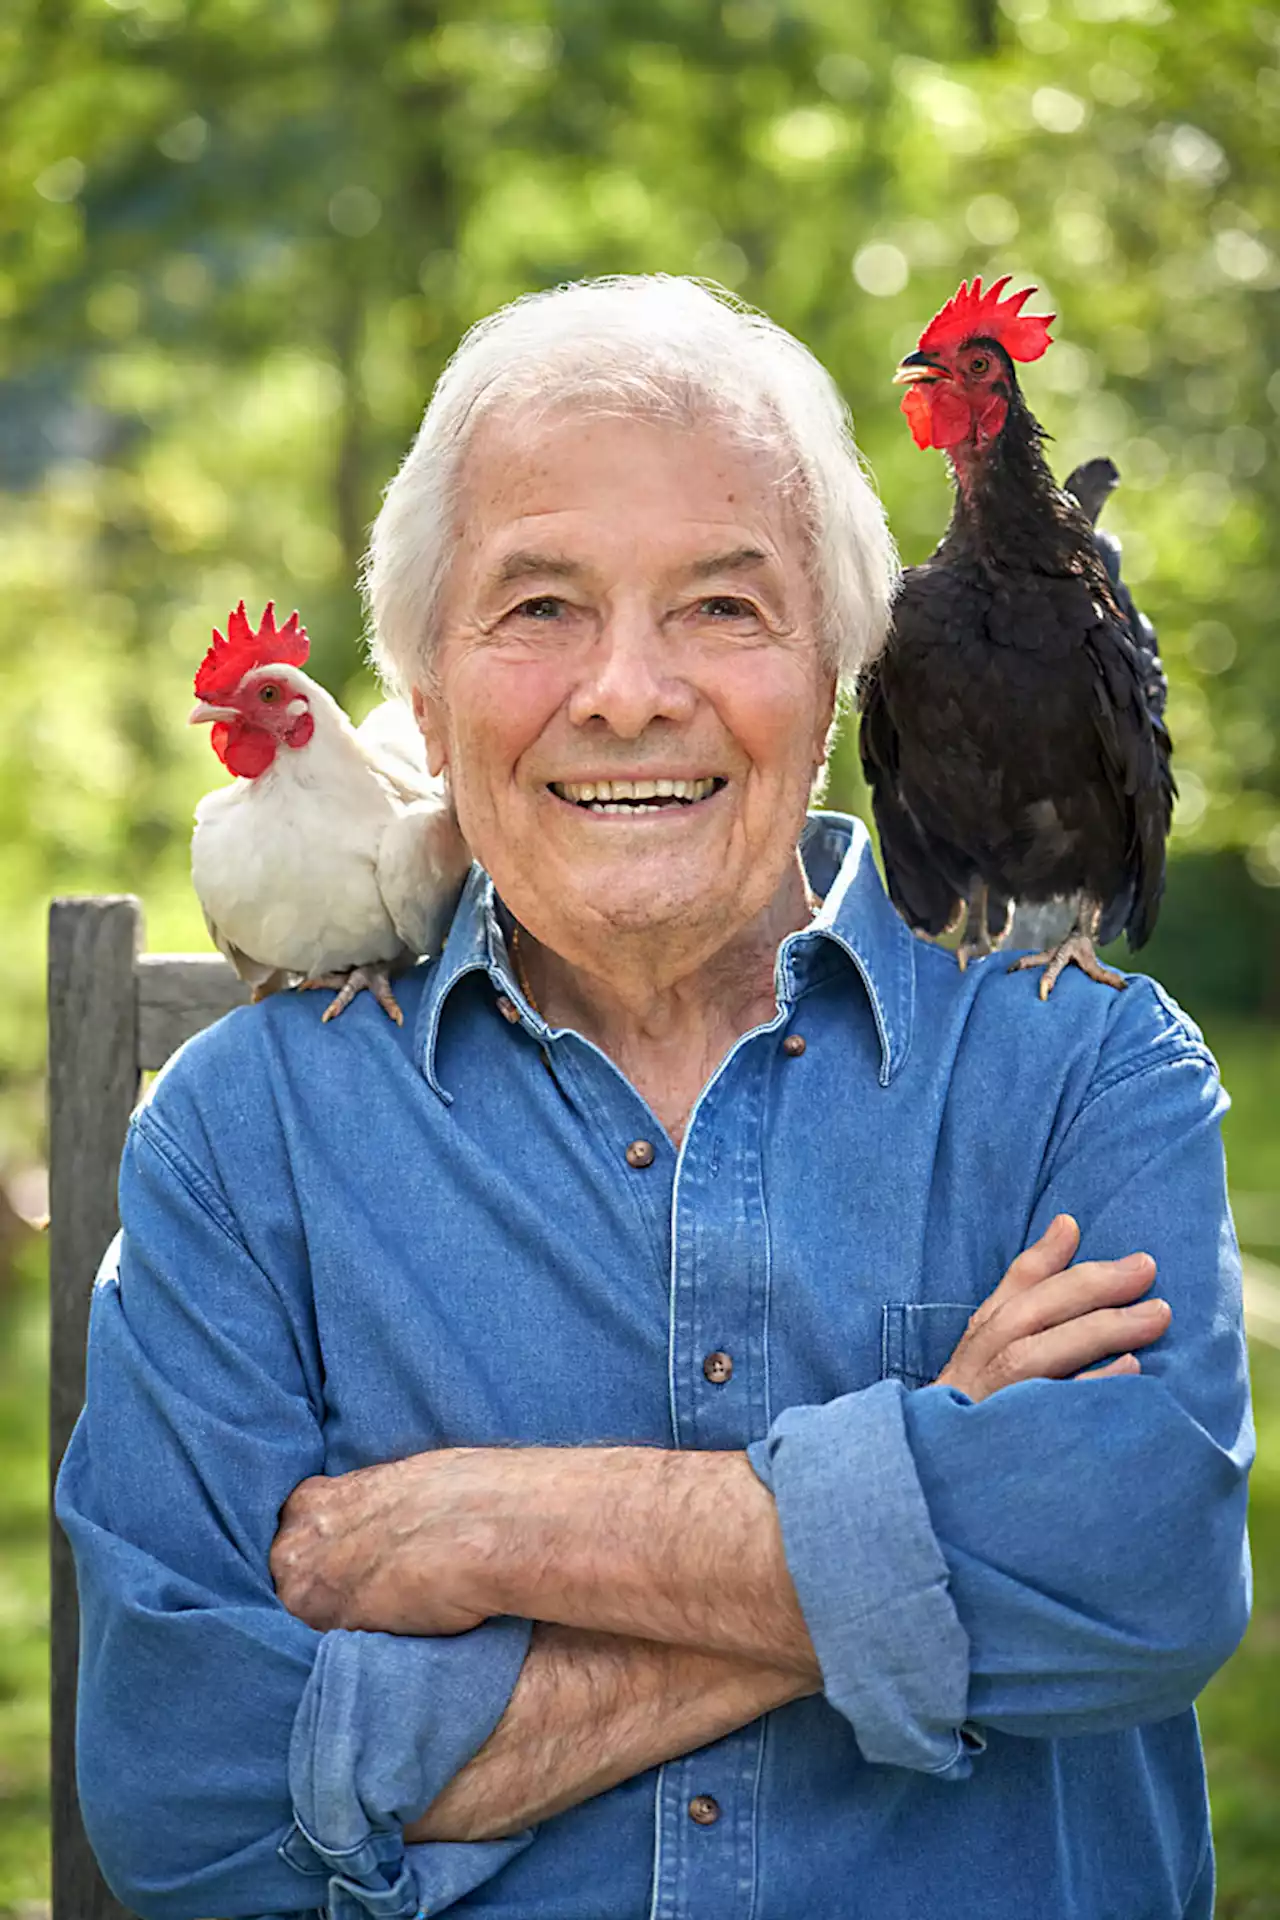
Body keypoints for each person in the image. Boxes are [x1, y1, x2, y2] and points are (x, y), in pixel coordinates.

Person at [58, 275, 1252, 1920]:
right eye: (539, 608)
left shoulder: (1082, 1067)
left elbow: (1136, 1582)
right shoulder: (240, 1141)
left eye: (721, 608)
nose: (628, 692)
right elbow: (187, 1803)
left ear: (845, 671)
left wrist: (480, 1528)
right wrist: (923, 1500)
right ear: (423, 686)